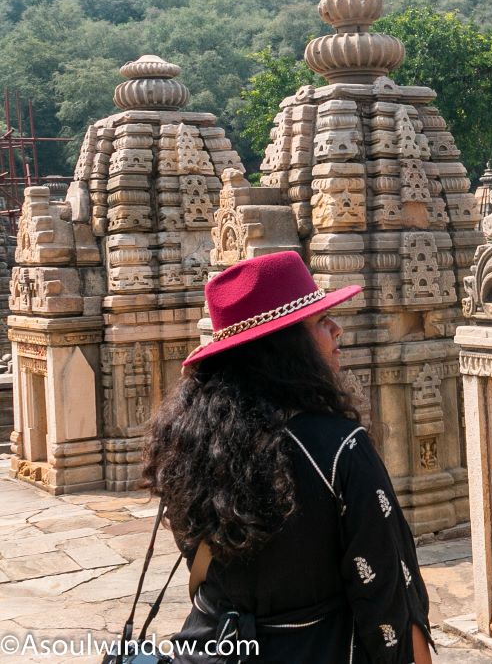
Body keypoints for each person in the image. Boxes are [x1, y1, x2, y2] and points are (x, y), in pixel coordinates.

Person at [143, 251, 434, 663]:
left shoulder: (189, 441)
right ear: (283, 348)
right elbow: (388, 595)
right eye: (319, 322)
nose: (338, 331)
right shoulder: (338, 445)